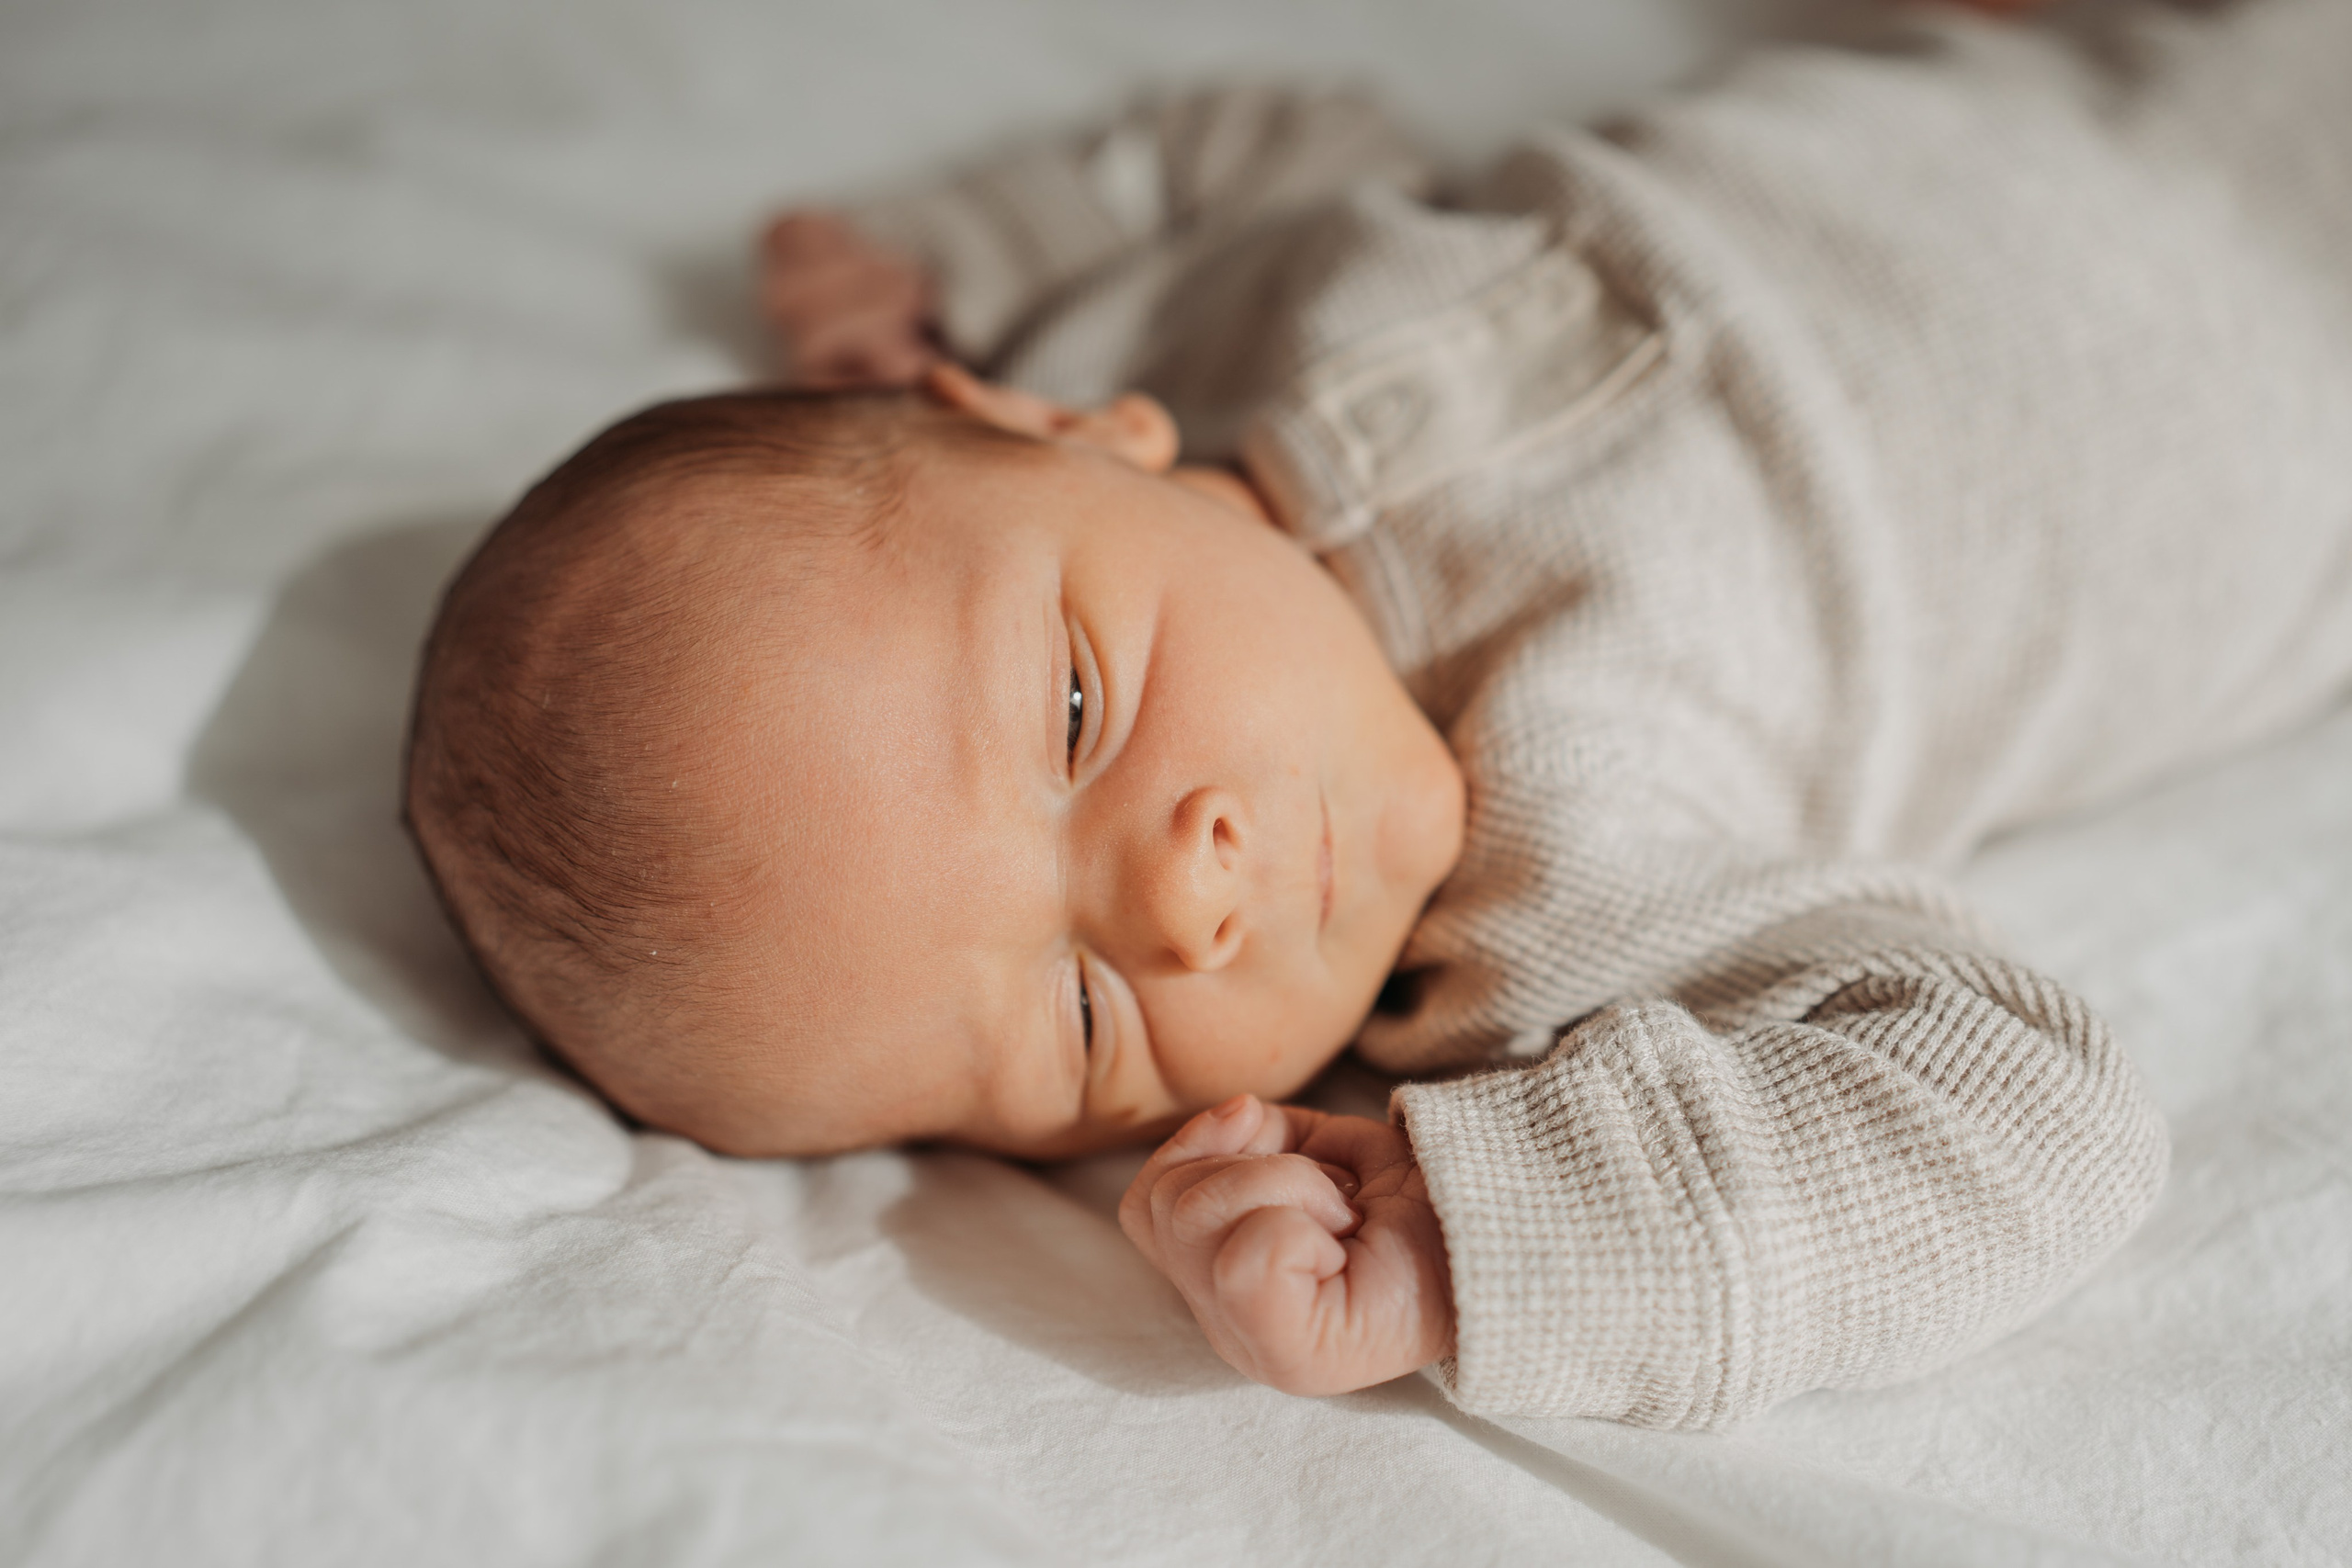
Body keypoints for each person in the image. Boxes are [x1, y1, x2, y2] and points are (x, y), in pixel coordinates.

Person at [405, 0, 2352, 1427]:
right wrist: (1468, 1237)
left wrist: (970, 248)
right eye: (1086, 1010)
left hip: (2048, 73)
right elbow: (2033, 1118)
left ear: (1067, 429)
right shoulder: (1549, 911)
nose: (1185, 902)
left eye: (1078, 702)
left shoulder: (1186, 343)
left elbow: (1268, 139)